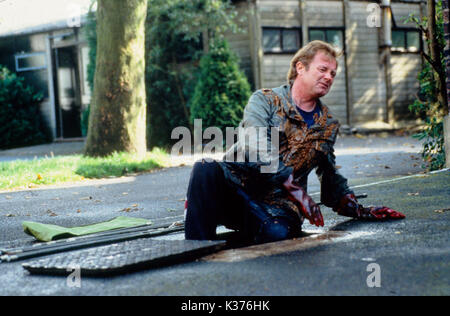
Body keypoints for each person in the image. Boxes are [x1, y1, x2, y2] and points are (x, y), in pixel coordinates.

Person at [184, 40, 405, 242]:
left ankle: (247, 228)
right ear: (300, 67)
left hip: (278, 206)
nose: (329, 77)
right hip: (236, 190)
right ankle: (196, 248)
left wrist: (360, 209)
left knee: (278, 232)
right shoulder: (265, 100)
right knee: (205, 168)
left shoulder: (327, 124)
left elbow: (330, 177)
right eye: (322, 69)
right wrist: (296, 190)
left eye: (333, 73)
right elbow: (256, 143)